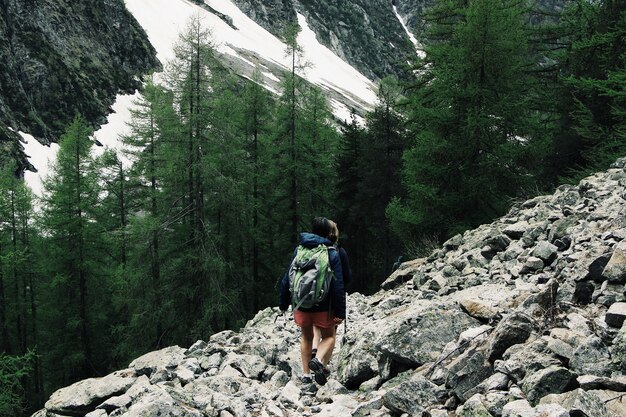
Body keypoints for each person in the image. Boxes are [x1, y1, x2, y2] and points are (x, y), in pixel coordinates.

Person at [279, 217, 346, 387]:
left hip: (301, 305)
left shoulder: (300, 250)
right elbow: (338, 285)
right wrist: (340, 312)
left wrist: (283, 303)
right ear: (328, 232)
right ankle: (318, 361)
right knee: (329, 336)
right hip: (324, 305)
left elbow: (287, 278)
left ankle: (306, 376)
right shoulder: (331, 252)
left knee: (306, 337)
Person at [312, 220, 352, 359]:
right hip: (330, 300)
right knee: (330, 333)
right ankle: (322, 365)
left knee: (316, 325)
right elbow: (347, 277)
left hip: (313, 294)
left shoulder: (312, 249)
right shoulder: (339, 251)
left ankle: (314, 348)